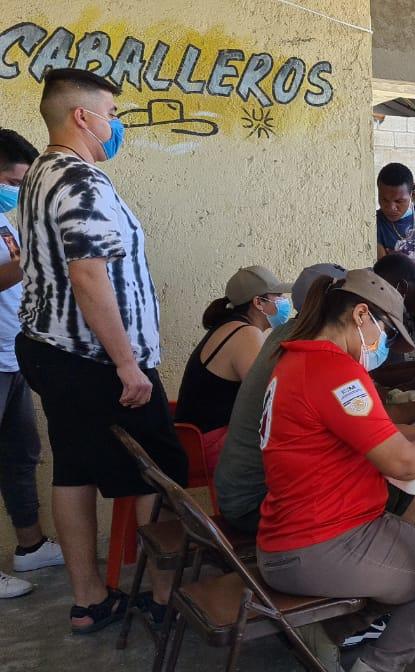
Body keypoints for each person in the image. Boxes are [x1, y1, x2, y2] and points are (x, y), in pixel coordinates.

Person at [256, 268, 415, 672]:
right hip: (323, 544)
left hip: (293, 537)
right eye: (382, 328)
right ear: (360, 314)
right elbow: (401, 463)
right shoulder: (334, 370)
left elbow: (363, 432)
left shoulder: (297, 360)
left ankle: (329, 636)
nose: (382, 341)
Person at [16, 68, 188, 633]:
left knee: (75, 469)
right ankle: (163, 596)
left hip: (51, 349)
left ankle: (89, 600)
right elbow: (89, 275)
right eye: (110, 115)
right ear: (82, 117)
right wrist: (126, 363)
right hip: (95, 360)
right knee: (162, 471)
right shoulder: (80, 181)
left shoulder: (39, 173)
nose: (114, 125)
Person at [215, 264, 346, 534]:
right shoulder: (305, 346)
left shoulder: (284, 334)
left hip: (240, 490)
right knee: (388, 482)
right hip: (256, 502)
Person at [0, 128, 63, 600]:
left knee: (22, 455)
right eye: (12, 180)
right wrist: (34, 261)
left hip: (14, 354)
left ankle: (30, 545)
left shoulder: (9, 219)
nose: (18, 191)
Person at [174, 265, 291, 469]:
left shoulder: (230, 326)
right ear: (258, 302)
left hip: (200, 439)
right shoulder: (246, 334)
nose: (284, 302)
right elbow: (267, 395)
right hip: (212, 444)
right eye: (278, 296)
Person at [367, 253, 415, 387]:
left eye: (382, 290)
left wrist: (400, 389)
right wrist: (374, 376)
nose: (379, 297)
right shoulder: (410, 305)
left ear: (402, 287)